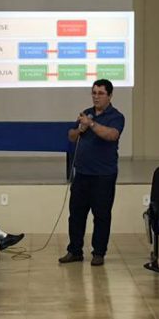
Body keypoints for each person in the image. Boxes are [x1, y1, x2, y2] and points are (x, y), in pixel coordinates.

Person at [61, 79, 125, 267]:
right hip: (82, 173)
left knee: (102, 215)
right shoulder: (86, 113)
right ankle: (74, 250)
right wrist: (80, 128)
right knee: (76, 214)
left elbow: (112, 135)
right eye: (94, 93)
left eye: (100, 93)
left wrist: (92, 124)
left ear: (110, 96)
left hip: (103, 175)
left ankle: (98, 252)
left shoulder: (116, 116)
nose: (96, 96)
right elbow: (71, 136)